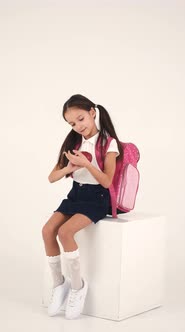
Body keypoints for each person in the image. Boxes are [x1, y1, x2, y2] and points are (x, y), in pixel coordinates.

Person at [42, 94, 123, 319]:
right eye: (72, 123)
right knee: (48, 230)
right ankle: (59, 285)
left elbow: (107, 181)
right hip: (76, 193)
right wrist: (69, 168)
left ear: (92, 112)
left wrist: (87, 163)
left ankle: (77, 287)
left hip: (97, 197)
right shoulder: (73, 142)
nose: (78, 126)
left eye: (81, 119)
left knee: (65, 232)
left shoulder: (109, 142)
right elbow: (52, 177)